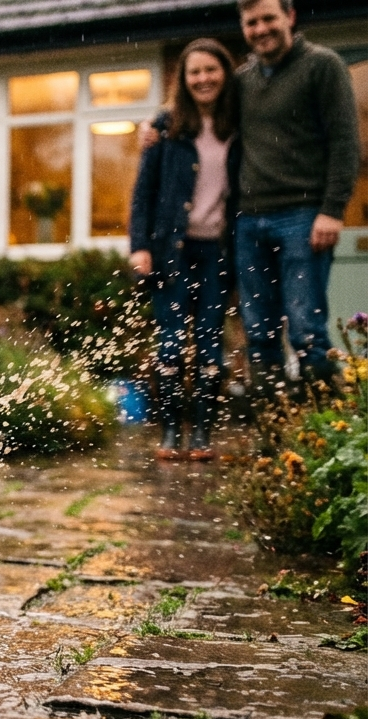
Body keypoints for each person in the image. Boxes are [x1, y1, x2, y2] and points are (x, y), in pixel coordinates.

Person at [141, 0, 360, 397]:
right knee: (258, 332)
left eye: (268, 19)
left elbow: (345, 143)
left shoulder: (322, 66)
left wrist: (332, 210)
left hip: (304, 217)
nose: (261, 29)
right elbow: (196, 103)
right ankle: (276, 432)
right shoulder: (242, 81)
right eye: (251, 22)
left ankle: (325, 427)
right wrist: (156, 123)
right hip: (247, 224)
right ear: (243, 27)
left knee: (306, 327)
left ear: (290, 17)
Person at [129, 39, 242, 461]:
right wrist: (139, 246)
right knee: (171, 345)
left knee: (211, 345)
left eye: (211, 70)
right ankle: (172, 431)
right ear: (184, 78)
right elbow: (143, 193)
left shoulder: (239, 125)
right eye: (194, 72)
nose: (203, 78)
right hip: (171, 251)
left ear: (225, 74)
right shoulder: (165, 125)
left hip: (218, 252)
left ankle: (203, 435)